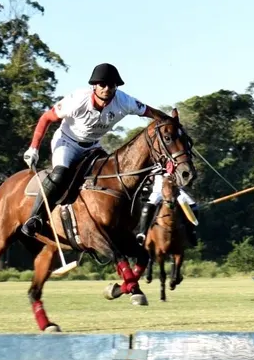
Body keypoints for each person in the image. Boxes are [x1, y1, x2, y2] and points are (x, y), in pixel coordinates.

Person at [21, 63, 170, 238]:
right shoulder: (77, 100)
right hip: (67, 142)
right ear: (94, 85)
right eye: (102, 84)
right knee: (60, 174)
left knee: (112, 178)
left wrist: (172, 124)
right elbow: (46, 118)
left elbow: (151, 112)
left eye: (112, 85)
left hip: (93, 146)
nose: (107, 89)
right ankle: (35, 218)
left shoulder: (124, 101)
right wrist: (34, 148)